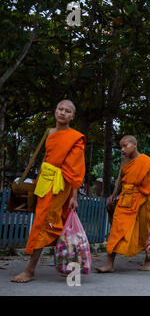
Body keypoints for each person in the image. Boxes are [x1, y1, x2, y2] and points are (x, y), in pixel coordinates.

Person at [11, 100, 86, 283]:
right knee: (54, 224)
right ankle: (72, 263)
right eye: (60, 109)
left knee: (44, 224)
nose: (62, 113)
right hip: (45, 182)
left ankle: (30, 270)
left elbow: (75, 169)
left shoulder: (75, 137)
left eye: (67, 111)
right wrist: (38, 181)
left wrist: (74, 195)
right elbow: (46, 158)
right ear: (55, 111)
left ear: (72, 116)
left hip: (61, 185)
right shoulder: (50, 133)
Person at [96, 135, 150, 273]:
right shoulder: (125, 160)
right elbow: (121, 177)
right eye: (121, 147)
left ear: (134, 145)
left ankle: (148, 259)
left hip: (141, 201)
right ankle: (109, 264)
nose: (122, 149)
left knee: (144, 232)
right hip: (125, 199)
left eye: (125, 146)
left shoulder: (146, 162)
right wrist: (113, 195)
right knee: (116, 230)